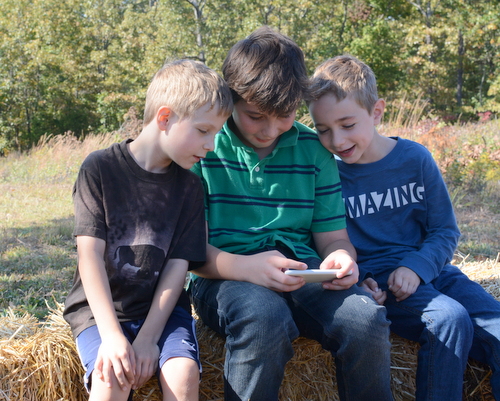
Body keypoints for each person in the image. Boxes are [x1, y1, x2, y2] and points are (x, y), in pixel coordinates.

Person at [188, 26, 394, 401]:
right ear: (230, 98)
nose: (269, 130)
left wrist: (341, 259)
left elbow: (332, 237)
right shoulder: (203, 148)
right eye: (255, 116)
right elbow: (193, 253)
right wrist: (248, 268)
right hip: (223, 275)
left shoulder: (314, 151)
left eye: (284, 116)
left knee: (365, 319)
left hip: (302, 273)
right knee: (264, 319)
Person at [307, 54, 500, 401]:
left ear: (377, 112)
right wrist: (360, 281)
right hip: (383, 284)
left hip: (433, 271)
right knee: (448, 319)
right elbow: (326, 243)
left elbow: (445, 231)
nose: (336, 140)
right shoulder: (326, 175)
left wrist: (418, 266)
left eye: (347, 125)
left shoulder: (415, 158)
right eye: (323, 130)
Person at [63, 59, 233, 401]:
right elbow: (89, 257)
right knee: (111, 378)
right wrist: (113, 337)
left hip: (163, 312)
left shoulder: (189, 187)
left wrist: (147, 339)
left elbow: (177, 268)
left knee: (183, 375)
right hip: (101, 314)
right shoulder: (99, 169)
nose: (211, 145)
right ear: (165, 118)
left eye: (216, 134)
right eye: (203, 131)